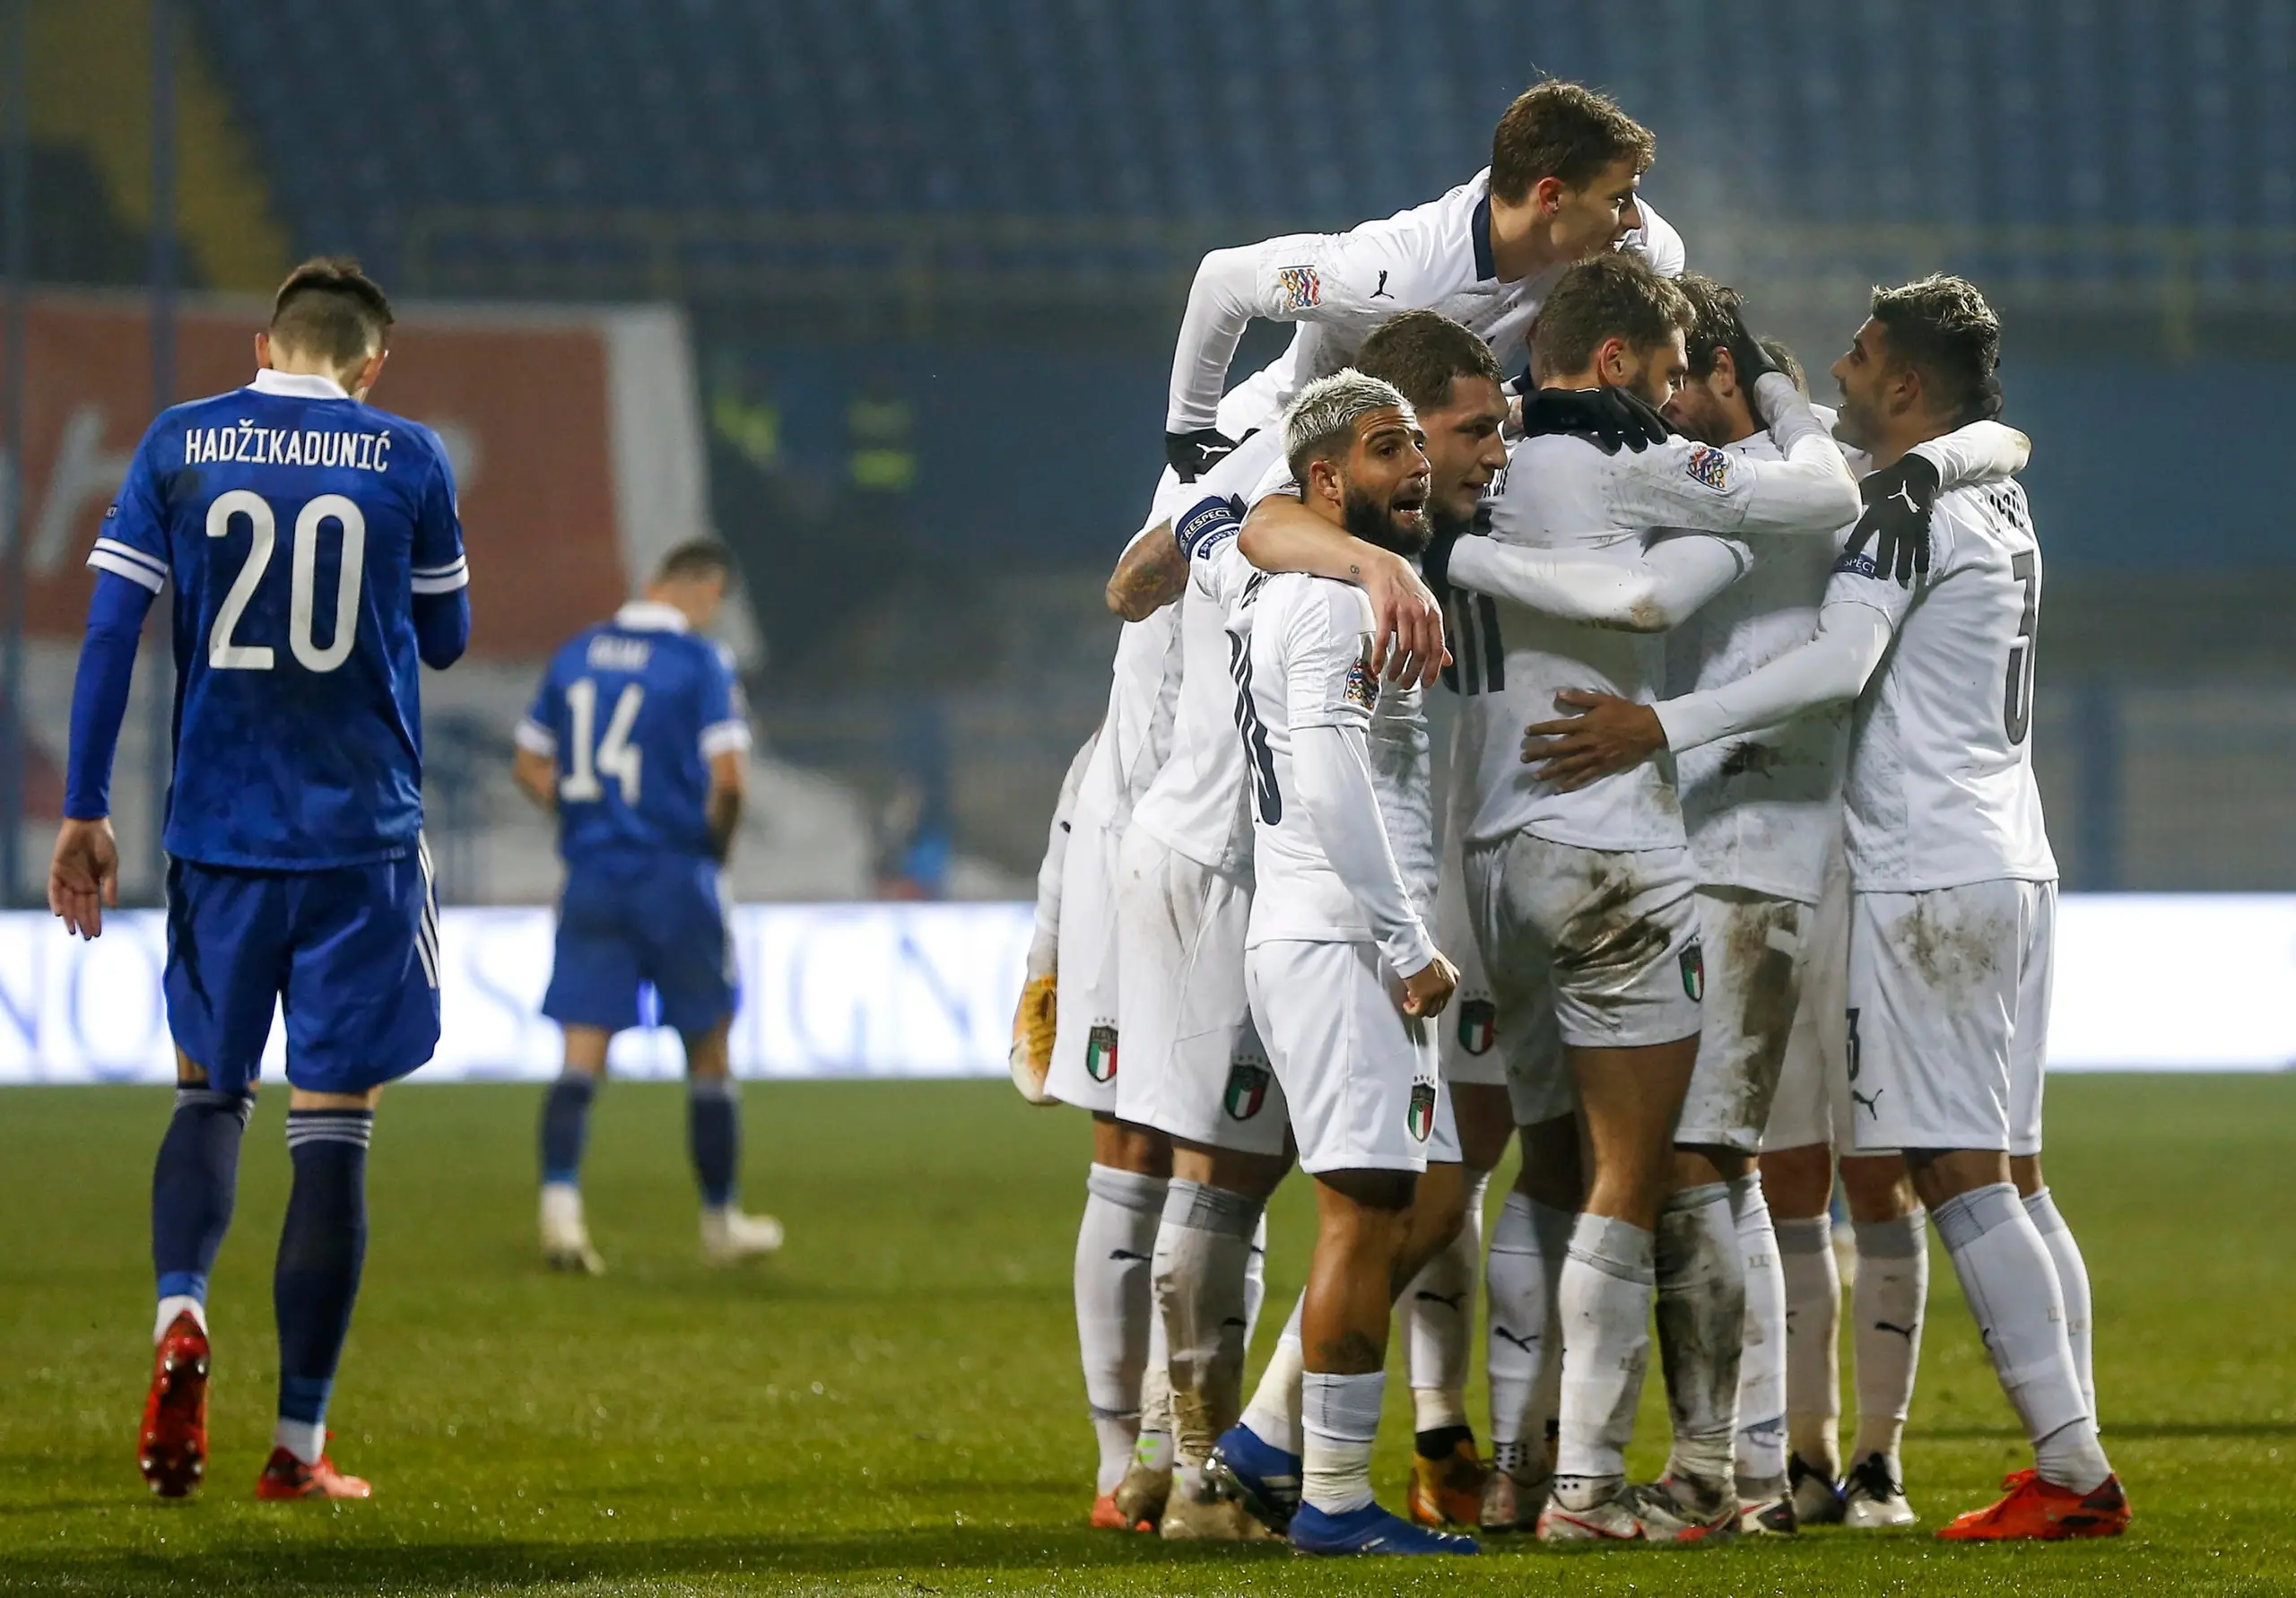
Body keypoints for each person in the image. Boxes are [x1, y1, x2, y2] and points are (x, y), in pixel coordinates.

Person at [1516, 275, 2126, 1541]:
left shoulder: (1905, 510)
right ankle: (2069, 1452)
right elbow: (1989, 434)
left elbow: (1840, 663)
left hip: (1927, 869)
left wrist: (1658, 725)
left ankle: (2072, 1470)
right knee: (2014, 1172)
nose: (1836, 370)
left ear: (1906, 384)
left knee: (1960, 1174)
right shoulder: (1978, 484)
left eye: (1857, 355)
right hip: (2010, 854)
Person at [49, 256, 469, 1500]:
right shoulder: (406, 455)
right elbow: (443, 638)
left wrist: (86, 806)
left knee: (207, 1101)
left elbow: (114, 632)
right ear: (371, 361)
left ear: (263, 341)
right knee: (332, 1135)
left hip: (216, 834)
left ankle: (182, 1313)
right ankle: (297, 1444)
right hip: (358, 846)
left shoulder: (179, 441)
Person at [1215, 370, 1473, 1556]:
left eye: (1418, 441)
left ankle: (1278, 1455)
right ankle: (1328, 1500)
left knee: (1393, 1200)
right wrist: (1409, 941)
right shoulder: (1323, 604)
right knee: (1365, 1208)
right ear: (1323, 480)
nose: (1414, 463)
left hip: (1334, 932)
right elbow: (1328, 781)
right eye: (1386, 447)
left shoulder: (1307, 583)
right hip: (1340, 936)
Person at [511, 539, 782, 1272]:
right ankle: (720, 1222)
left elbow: (530, 760)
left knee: (581, 1052)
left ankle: (561, 1213)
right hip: (674, 875)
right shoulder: (699, 663)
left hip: (594, 874)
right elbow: (730, 780)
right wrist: (712, 850)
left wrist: (575, 813)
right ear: (704, 590)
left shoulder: (575, 656)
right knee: (709, 1048)